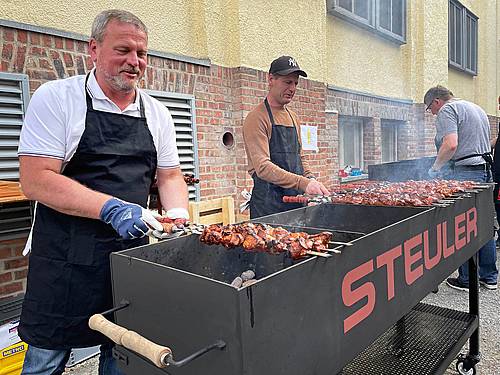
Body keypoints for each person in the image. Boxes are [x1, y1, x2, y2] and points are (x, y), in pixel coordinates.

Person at [17, 9, 189, 375]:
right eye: (123, 50)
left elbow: (170, 176)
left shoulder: (157, 113)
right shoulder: (57, 99)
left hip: (129, 257)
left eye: (141, 53)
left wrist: (178, 218)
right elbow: (36, 179)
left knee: (123, 353)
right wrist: (113, 208)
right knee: (46, 359)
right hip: (64, 258)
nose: (134, 61)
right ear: (93, 49)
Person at [425, 85, 498, 291]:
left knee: (464, 225)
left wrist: (435, 168)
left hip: (467, 173)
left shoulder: (448, 110)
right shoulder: (476, 108)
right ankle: (489, 277)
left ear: (436, 101)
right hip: (485, 171)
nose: (432, 113)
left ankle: (466, 280)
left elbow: (451, 144)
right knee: (484, 223)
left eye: (430, 108)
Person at [243, 55, 330, 219]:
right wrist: (303, 184)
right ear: (271, 80)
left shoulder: (293, 118)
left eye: (295, 83)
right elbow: (262, 167)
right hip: (268, 209)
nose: (292, 88)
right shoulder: (257, 118)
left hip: (296, 204)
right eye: (287, 82)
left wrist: (311, 180)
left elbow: (300, 157)